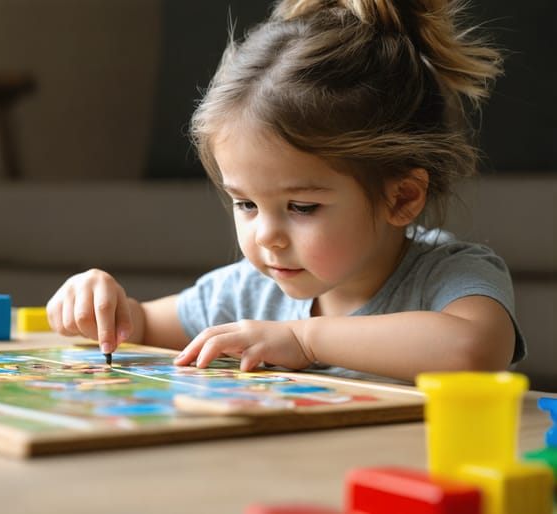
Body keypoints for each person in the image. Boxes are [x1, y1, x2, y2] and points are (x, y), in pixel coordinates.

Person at [46, 0, 525, 384]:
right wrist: (100, 305)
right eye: (246, 204)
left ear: (401, 198)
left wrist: (304, 339)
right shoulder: (246, 291)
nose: (266, 236)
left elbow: (474, 349)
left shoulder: (447, 274)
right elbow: (143, 326)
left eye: (301, 206)